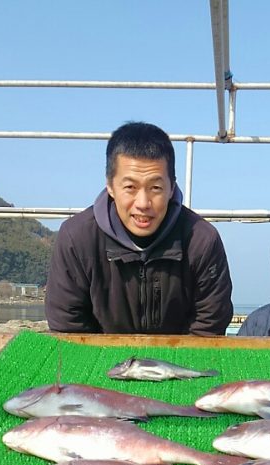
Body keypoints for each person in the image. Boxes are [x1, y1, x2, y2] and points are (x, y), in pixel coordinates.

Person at [45, 121, 233, 335]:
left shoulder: (202, 240)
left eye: (155, 187)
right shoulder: (76, 239)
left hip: (177, 365)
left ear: (172, 187)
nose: (143, 203)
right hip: (104, 365)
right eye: (130, 187)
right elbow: (68, 326)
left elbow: (210, 326)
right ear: (110, 186)